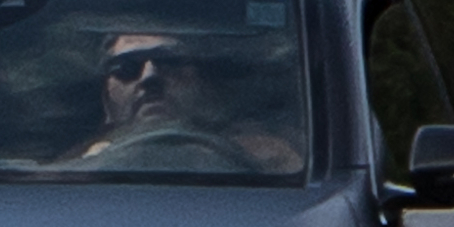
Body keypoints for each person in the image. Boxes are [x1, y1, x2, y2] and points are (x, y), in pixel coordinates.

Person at [67, 30, 302, 173]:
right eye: (126, 68)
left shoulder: (269, 157)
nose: (149, 77)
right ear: (106, 99)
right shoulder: (69, 169)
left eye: (170, 62)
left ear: (203, 82)